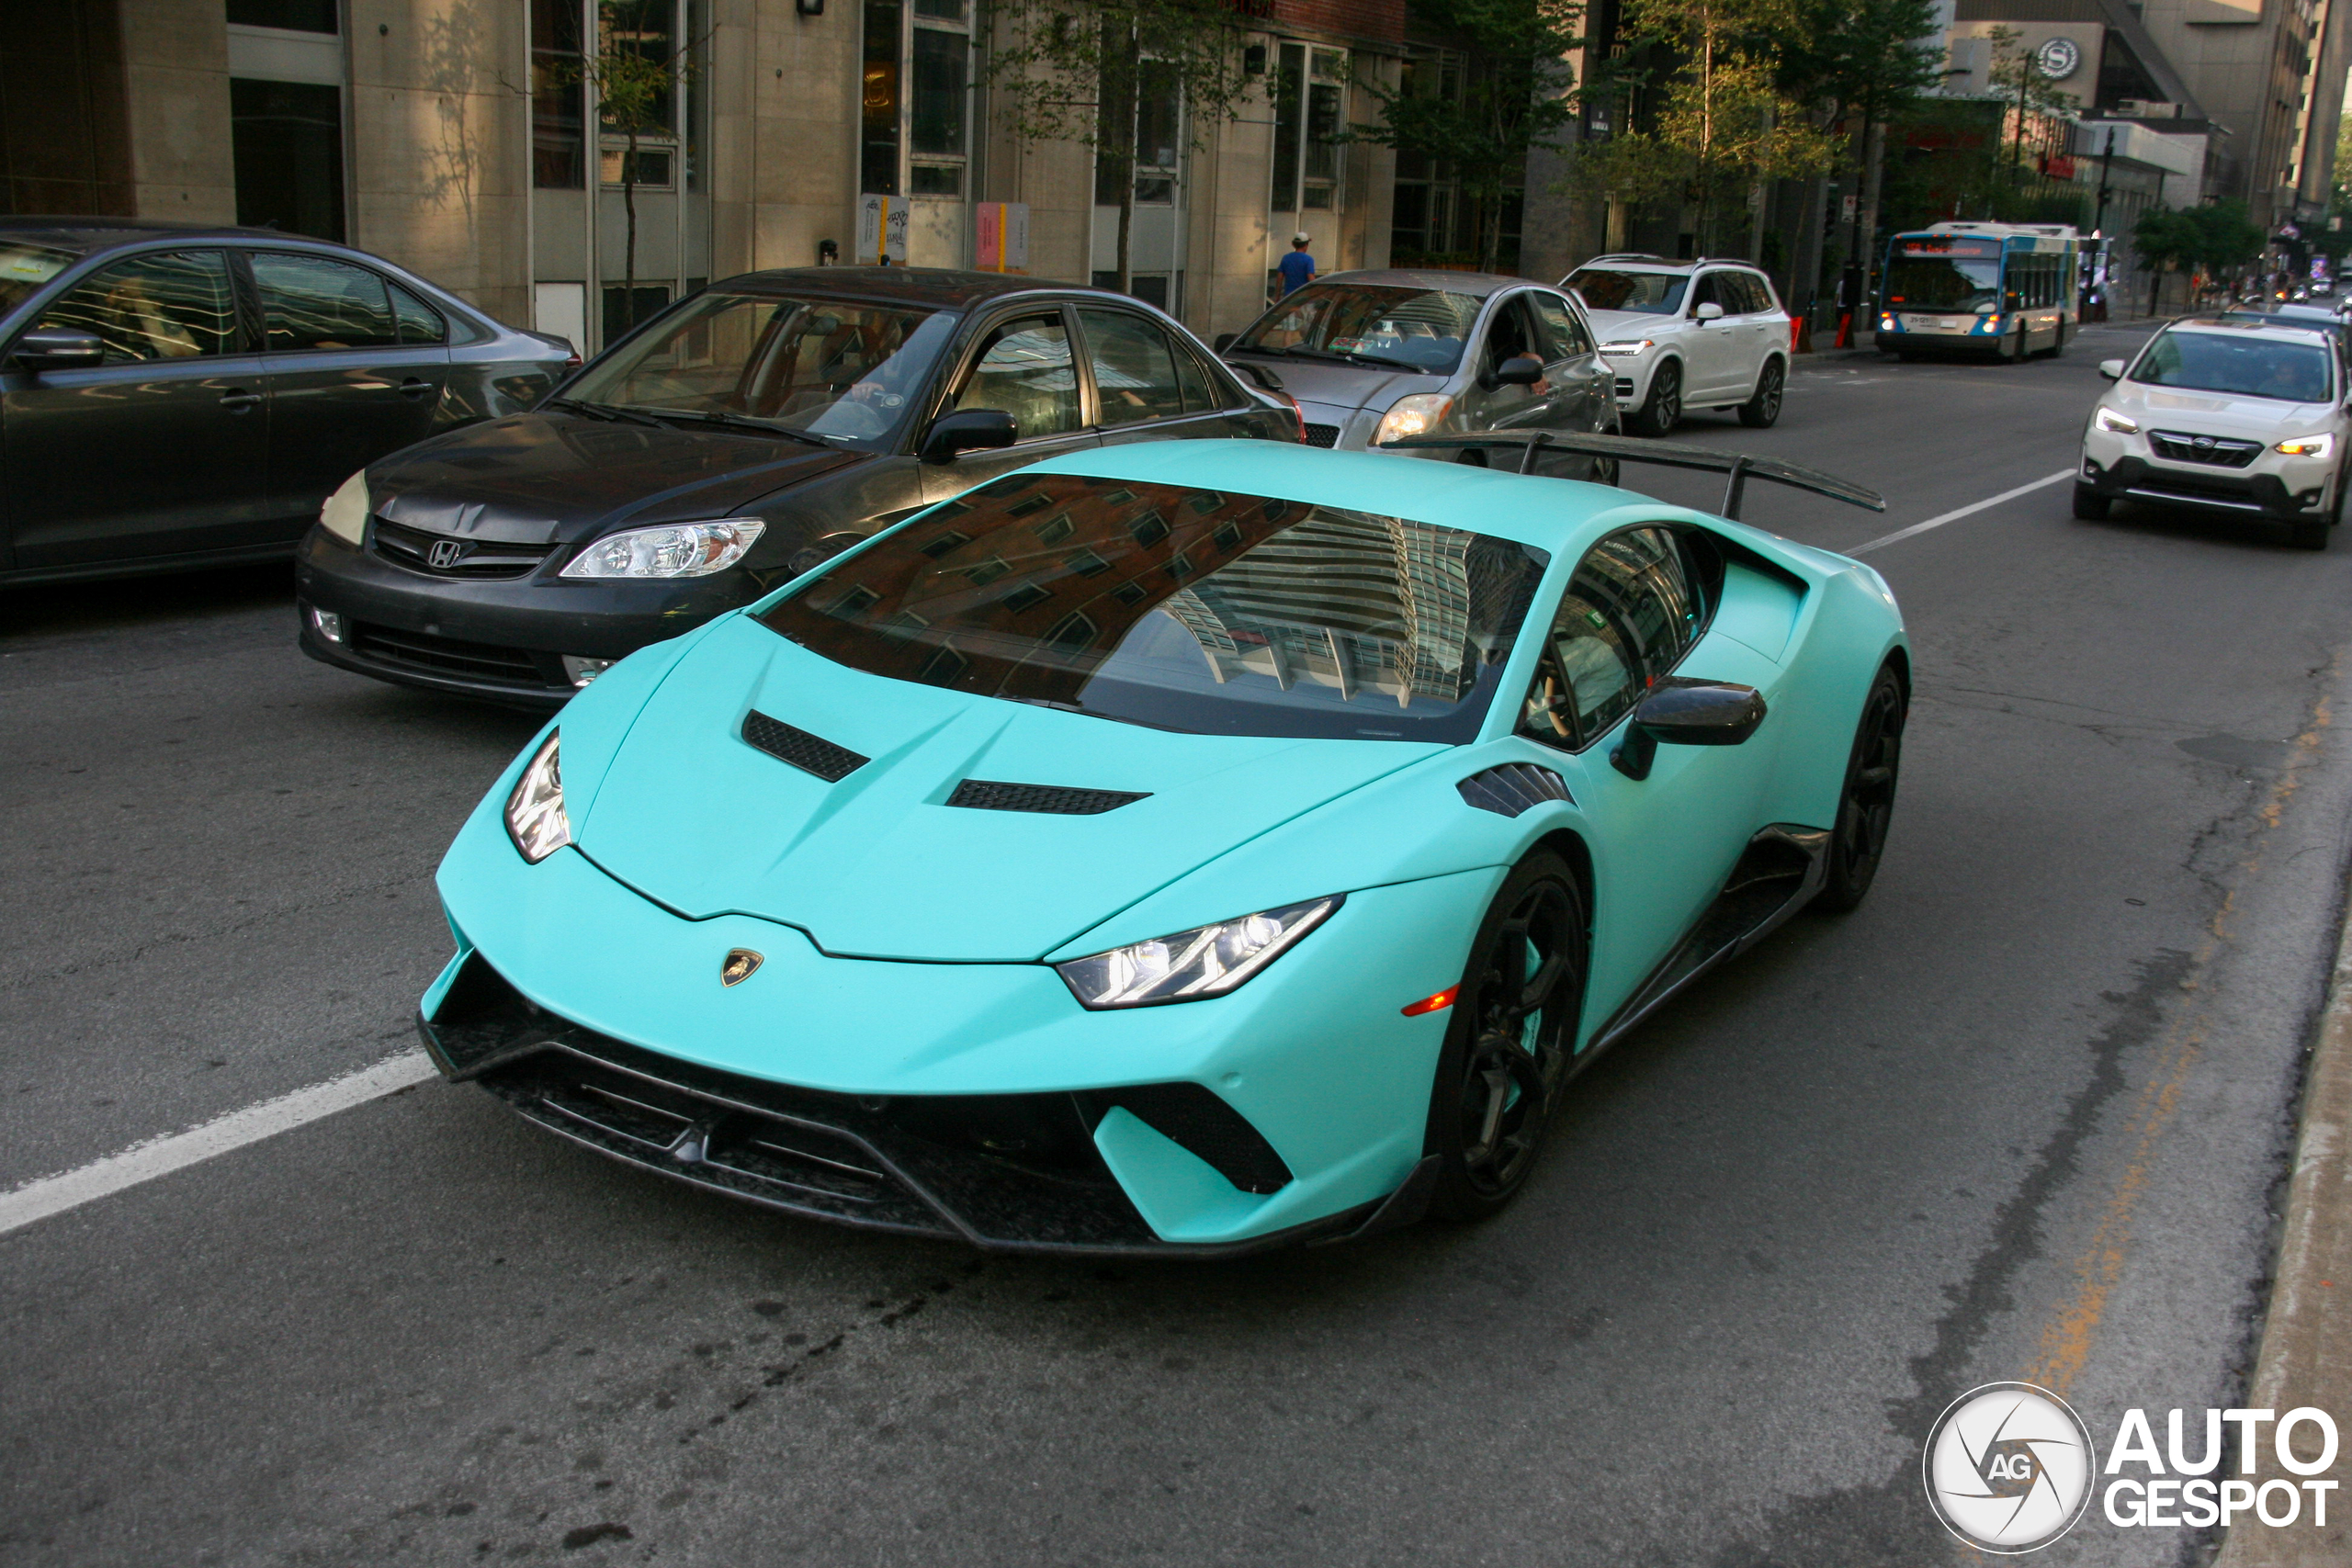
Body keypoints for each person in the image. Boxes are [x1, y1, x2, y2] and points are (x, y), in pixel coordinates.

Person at [1277, 233, 1317, 297]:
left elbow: (1279, 278)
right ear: (1306, 245)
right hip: (1303, 297)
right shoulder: (1309, 259)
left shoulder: (1286, 258)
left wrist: (1277, 296)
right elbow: (1311, 278)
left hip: (1289, 297)